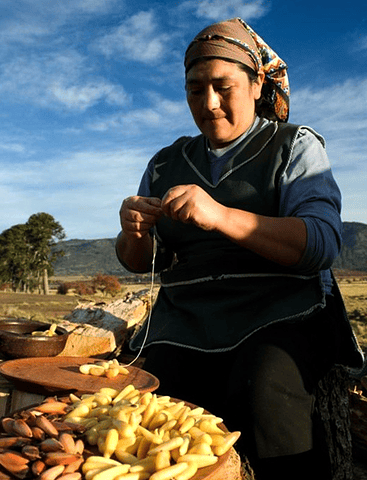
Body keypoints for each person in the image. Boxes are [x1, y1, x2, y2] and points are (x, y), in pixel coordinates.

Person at [116, 18, 364, 480]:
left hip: (279, 313)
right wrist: (133, 233)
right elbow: (144, 262)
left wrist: (221, 216)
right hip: (185, 320)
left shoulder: (295, 147)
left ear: (255, 85)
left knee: (263, 393)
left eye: (222, 86)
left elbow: (322, 243)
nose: (208, 104)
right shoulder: (166, 162)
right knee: (150, 419)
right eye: (195, 90)